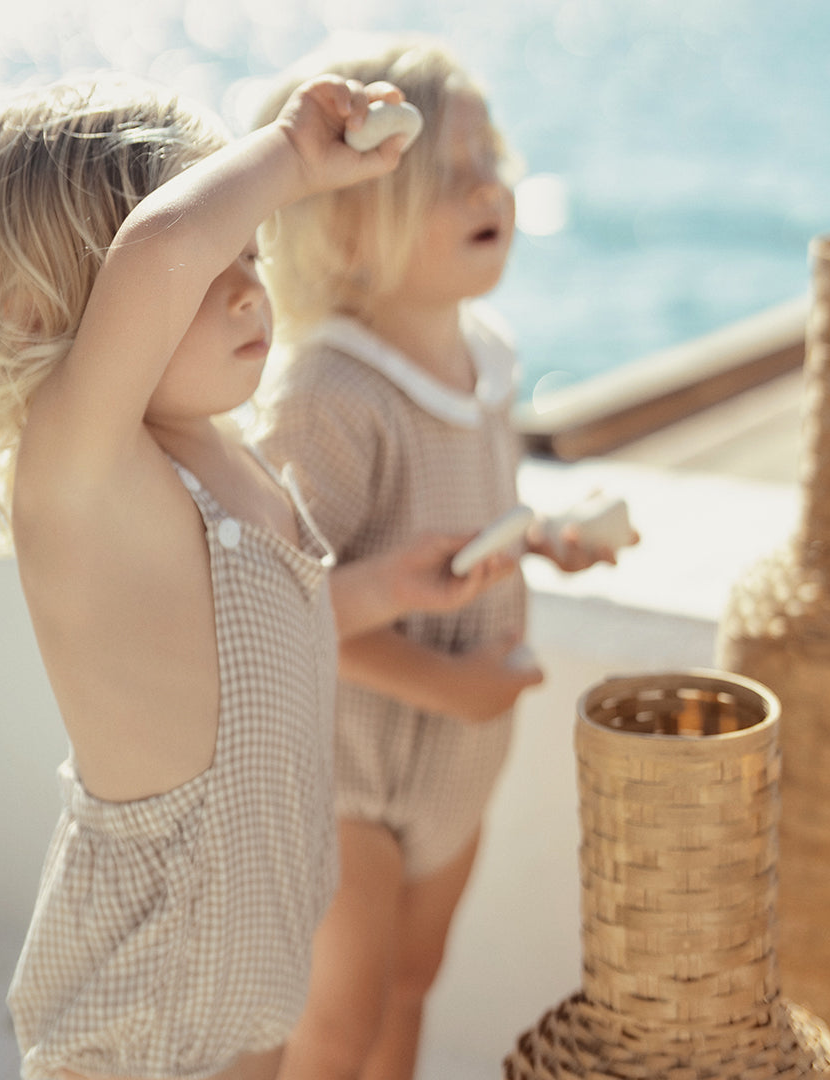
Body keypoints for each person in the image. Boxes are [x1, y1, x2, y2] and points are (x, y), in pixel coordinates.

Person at [0, 72, 516, 1080]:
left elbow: (258, 639)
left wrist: (388, 592)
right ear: (47, 314)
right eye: (210, 268)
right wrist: (288, 154)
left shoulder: (226, 460)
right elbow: (163, 248)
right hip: (150, 995)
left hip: (251, 951)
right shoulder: (87, 481)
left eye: (249, 253)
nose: (246, 284)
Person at [251, 36, 633, 1080]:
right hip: (350, 770)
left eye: (491, 157)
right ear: (347, 225)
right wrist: (450, 685)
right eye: (447, 172)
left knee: (412, 986)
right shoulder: (330, 396)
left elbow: (466, 515)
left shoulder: (489, 360)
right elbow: (275, 609)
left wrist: (543, 538)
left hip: (457, 767)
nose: (487, 184)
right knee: (338, 1020)